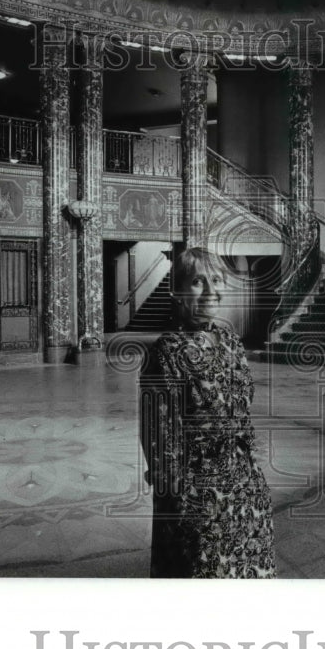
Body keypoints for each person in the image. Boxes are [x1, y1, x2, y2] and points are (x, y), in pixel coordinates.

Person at [140, 247, 276, 578]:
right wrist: (181, 503)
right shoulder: (167, 351)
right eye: (199, 281)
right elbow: (158, 438)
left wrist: (252, 471)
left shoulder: (230, 341)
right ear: (178, 291)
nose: (212, 291)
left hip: (245, 487)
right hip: (197, 495)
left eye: (216, 279)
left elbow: (243, 411)